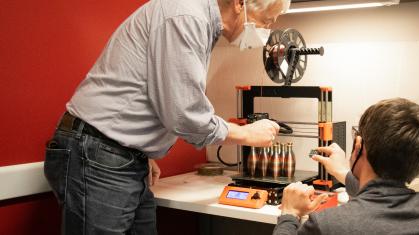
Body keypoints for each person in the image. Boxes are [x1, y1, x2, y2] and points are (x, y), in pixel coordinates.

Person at [44, 0, 290, 234]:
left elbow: (157, 92)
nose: (267, 31)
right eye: (267, 21)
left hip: (119, 156)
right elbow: (184, 114)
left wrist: (141, 149)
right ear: (240, 3)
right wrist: (247, 134)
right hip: (99, 154)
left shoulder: (199, 20)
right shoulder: (186, 16)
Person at [274, 98, 419, 235]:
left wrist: (289, 214)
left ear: (358, 145)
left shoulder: (327, 225)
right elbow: (383, 191)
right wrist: (342, 172)